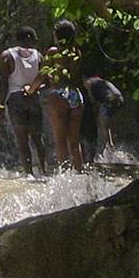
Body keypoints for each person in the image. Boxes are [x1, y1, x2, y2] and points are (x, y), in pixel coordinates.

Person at [24, 19, 84, 171]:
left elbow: (42, 75)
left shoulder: (53, 52)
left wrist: (30, 90)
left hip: (58, 95)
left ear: (57, 35)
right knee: (74, 142)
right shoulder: (76, 52)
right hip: (75, 95)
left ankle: (64, 177)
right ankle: (79, 173)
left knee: (60, 140)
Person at [0, 26, 47, 175]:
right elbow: (47, 81)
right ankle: (45, 172)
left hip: (15, 99)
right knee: (38, 138)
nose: (36, 40)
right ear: (29, 38)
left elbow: (4, 82)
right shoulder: (39, 56)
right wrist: (34, 88)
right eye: (35, 37)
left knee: (22, 140)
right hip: (34, 97)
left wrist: (1, 106)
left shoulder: (7, 55)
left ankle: (29, 174)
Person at [83, 75, 124, 158]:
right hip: (119, 99)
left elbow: (92, 100)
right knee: (106, 126)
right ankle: (110, 147)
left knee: (102, 128)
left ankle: (108, 153)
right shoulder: (100, 81)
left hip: (109, 100)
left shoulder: (88, 81)